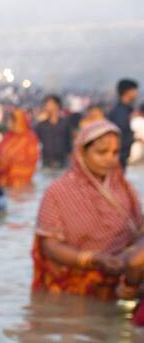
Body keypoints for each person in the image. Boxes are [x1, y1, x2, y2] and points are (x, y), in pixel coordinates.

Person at [32, 119, 144, 299]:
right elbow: (49, 246)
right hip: (72, 291)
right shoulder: (58, 191)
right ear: (82, 153)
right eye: (102, 152)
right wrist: (93, 259)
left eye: (115, 153)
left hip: (119, 286)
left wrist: (129, 262)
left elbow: (140, 232)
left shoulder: (123, 188)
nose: (110, 159)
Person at [0, 109, 39, 187]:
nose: (8, 122)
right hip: (3, 179)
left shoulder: (30, 138)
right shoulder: (7, 137)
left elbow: (31, 160)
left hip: (21, 181)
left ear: (17, 122)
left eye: (10, 120)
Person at [108, 78, 139, 167]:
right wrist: (133, 138)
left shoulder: (125, 111)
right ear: (128, 92)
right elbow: (119, 134)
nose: (136, 93)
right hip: (118, 157)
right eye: (134, 90)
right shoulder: (120, 112)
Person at [35, 95, 73, 169]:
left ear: (57, 105)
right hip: (46, 159)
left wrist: (70, 156)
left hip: (62, 160)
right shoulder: (42, 124)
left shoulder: (65, 123)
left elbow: (69, 142)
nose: (47, 106)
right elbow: (35, 139)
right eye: (46, 104)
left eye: (49, 104)